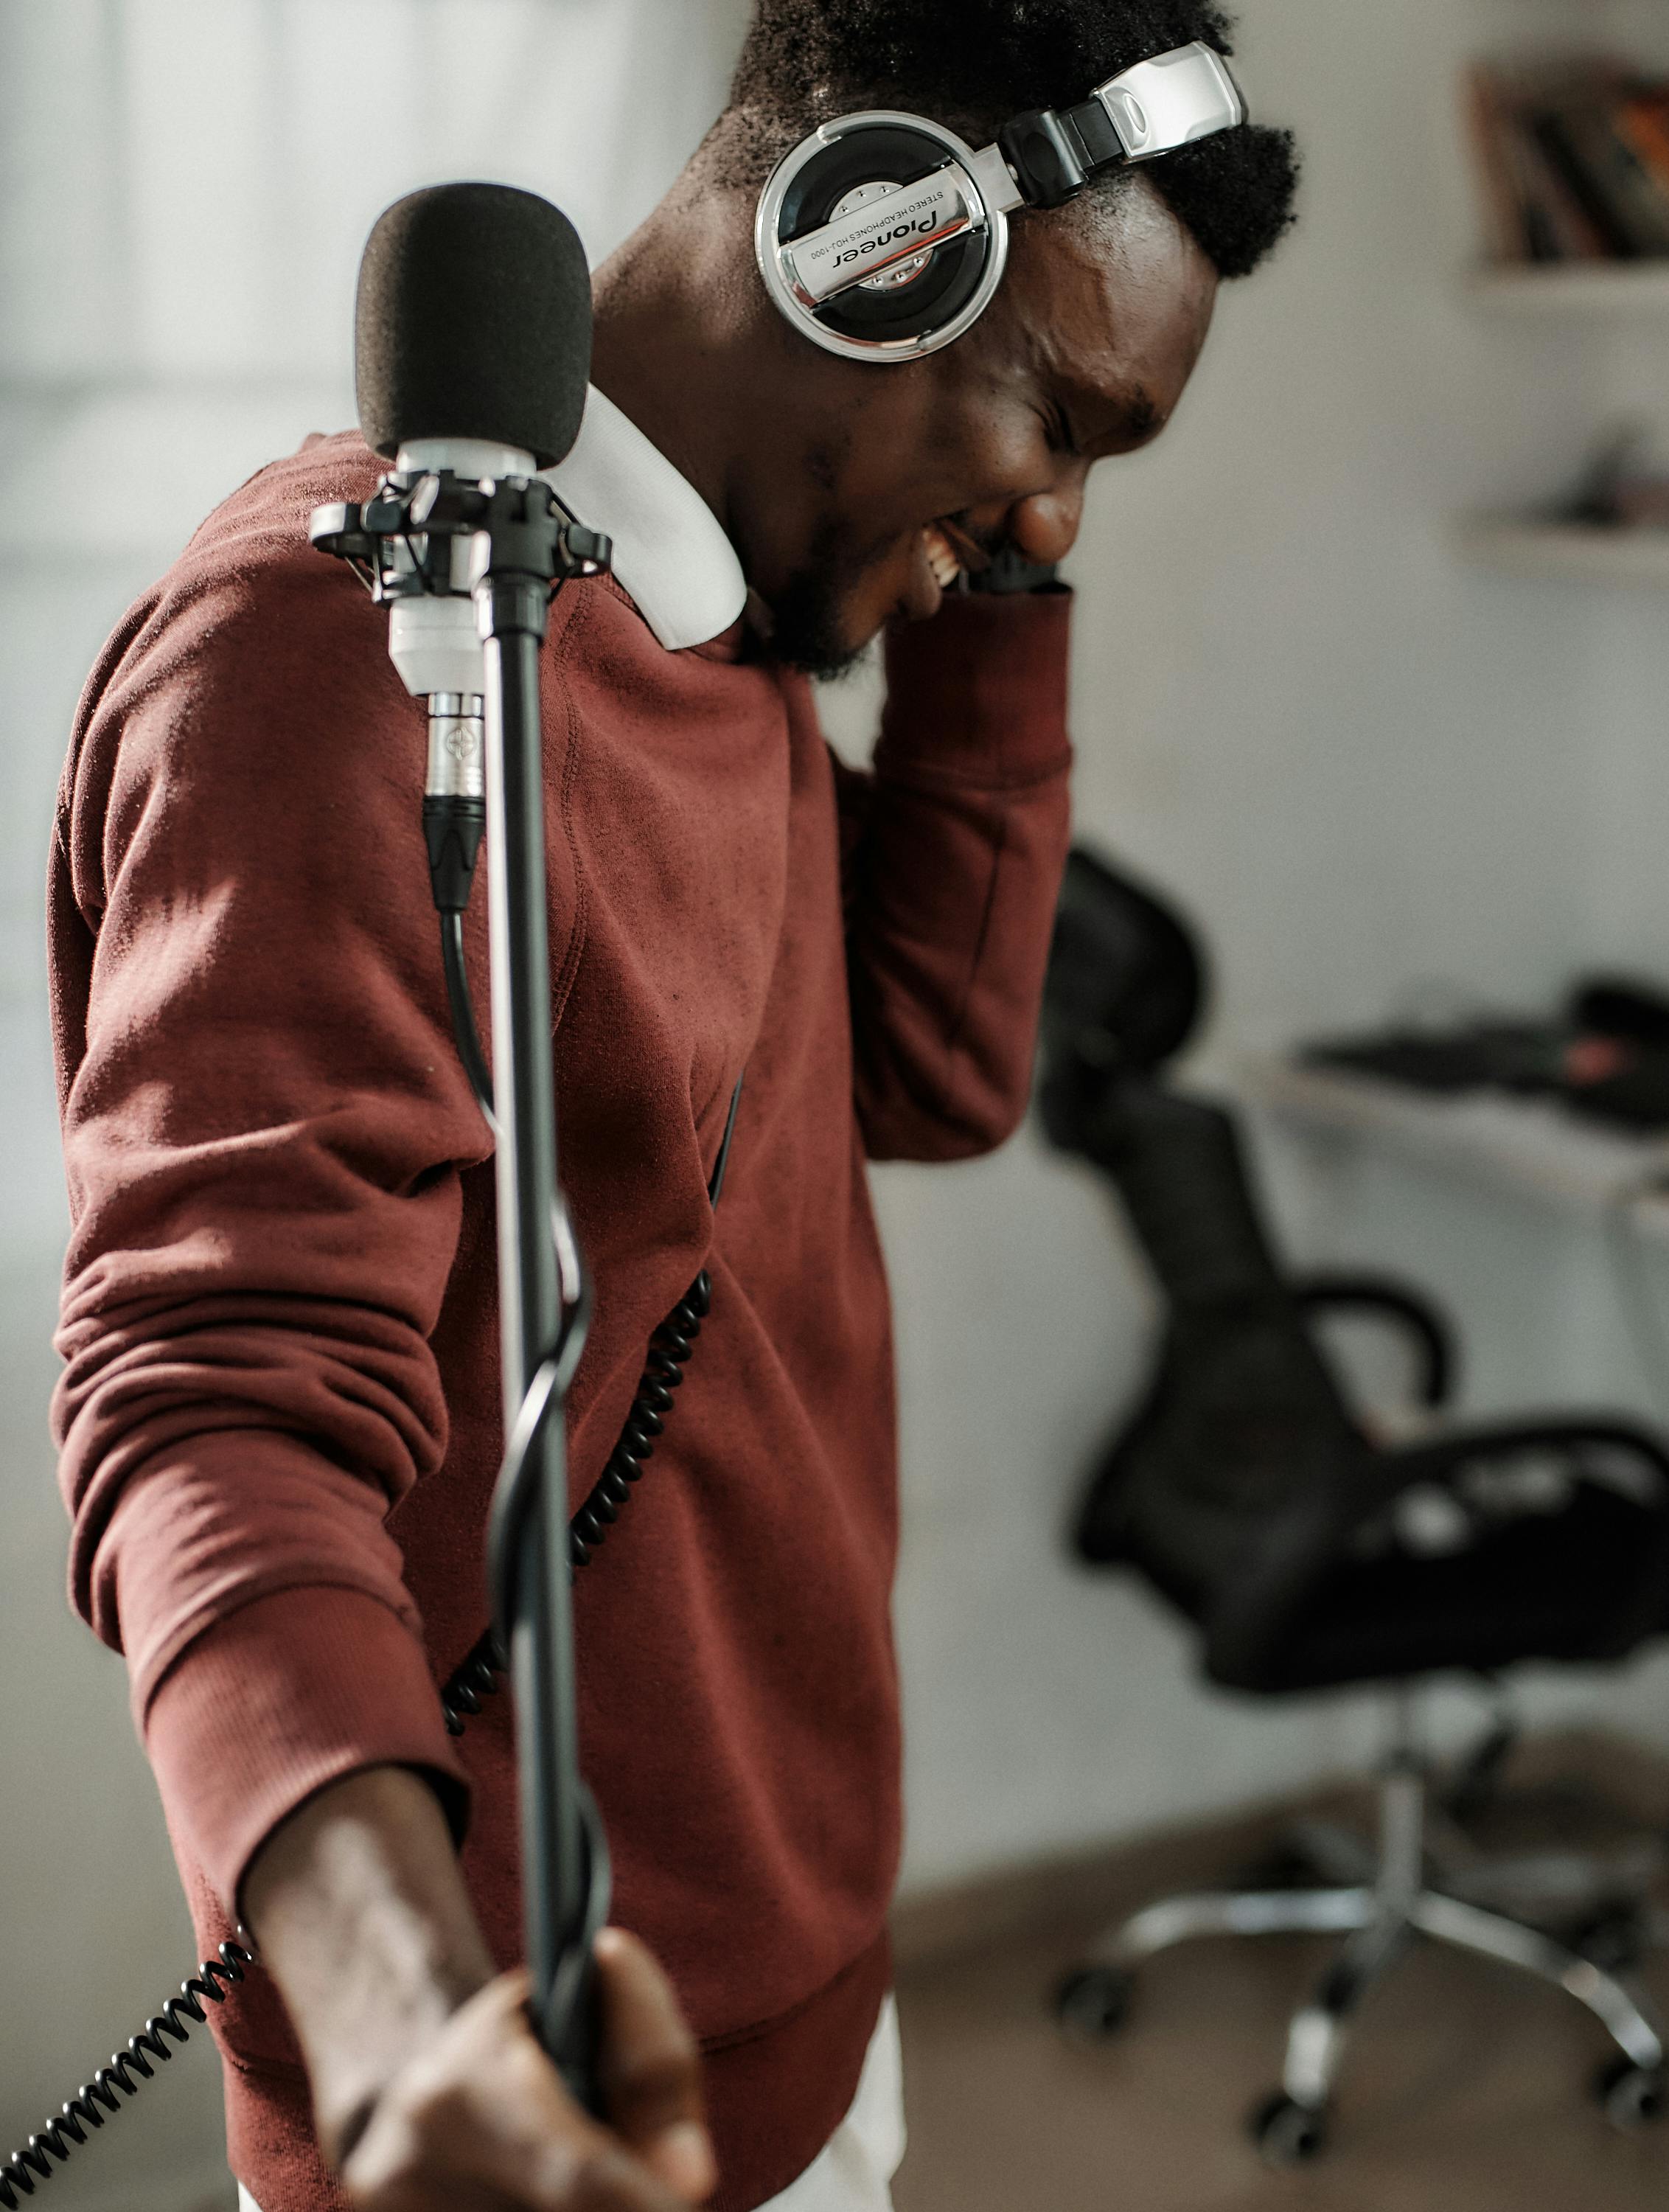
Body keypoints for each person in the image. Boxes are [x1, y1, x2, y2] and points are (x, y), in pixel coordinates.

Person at [47, 4, 1297, 2209]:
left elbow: (930, 1074)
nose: (1057, 512)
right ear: (860, 240)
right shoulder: (362, 652)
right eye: (1064, 419)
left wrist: (990, 577)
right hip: (519, 2082)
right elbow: (217, 1400)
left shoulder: (705, 633)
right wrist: (405, 2033)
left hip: (798, 1950)